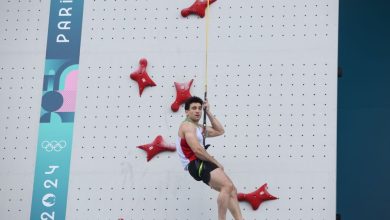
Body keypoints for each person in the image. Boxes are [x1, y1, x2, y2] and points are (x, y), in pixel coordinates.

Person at [176, 96, 244, 220]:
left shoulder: (198, 127)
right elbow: (197, 150)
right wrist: (216, 163)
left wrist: (208, 112)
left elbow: (220, 130)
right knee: (227, 186)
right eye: (194, 108)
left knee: (231, 190)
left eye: (200, 108)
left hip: (200, 161)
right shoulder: (187, 126)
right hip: (195, 163)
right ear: (187, 111)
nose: (197, 111)